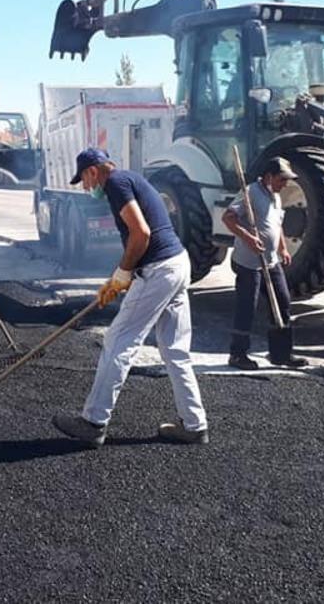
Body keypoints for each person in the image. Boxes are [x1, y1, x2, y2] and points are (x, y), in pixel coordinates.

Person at [52, 149, 209, 447]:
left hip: (159, 269)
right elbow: (140, 237)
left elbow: (141, 233)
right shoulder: (132, 178)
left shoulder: (116, 183)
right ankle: (194, 424)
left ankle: (94, 421)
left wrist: (124, 274)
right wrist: (117, 276)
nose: (86, 187)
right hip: (177, 263)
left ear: (93, 171)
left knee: (119, 340)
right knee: (175, 350)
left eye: (84, 180)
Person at [222, 156, 308, 370]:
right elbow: (228, 218)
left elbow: (276, 225)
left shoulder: (276, 196)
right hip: (248, 262)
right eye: (281, 179)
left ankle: (281, 354)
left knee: (282, 302)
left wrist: (283, 249)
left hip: (271, 261)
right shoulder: (250, 192)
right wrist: (248, 238)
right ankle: (237, 355)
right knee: (247, 308)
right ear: (269, 177)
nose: (285, 184)